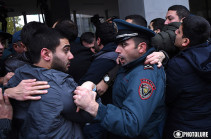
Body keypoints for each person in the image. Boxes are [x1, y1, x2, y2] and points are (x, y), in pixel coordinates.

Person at [73, 19, 166, 139]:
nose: (117, 50)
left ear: (141, 48)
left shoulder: (144, 75)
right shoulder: (130, 64)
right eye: (117, 44)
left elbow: (131, 124)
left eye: (124, 44)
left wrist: (93, 107)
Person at [6, 27, 93, 139]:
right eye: (66, 50)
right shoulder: (60, 83)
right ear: (46, 54)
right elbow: (91, 113)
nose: (71, 56)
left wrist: (6, 91)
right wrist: (91, 86)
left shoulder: (18, 76)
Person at [163, 15, 211, 139]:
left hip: (183, 128)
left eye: (179, 32)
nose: (175, 32)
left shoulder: (178, 65)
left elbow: (169, 97)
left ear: (185, 41)